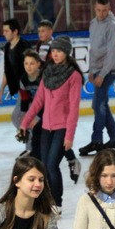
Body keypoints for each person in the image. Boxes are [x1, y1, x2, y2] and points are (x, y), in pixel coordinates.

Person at [19, 36, 82, 210]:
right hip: (46, 127)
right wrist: (25, 122)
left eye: (59, 51)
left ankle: (57, 203)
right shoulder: (47, 72)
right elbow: (38, 100)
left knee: (52, 164)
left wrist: (69, 136)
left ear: (66, 53)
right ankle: (48, 200)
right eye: (53, 51)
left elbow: (74, 109)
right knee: (45, 166)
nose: (55, 54)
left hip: (62, 127)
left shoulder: (73, 76)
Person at [79, 0, 115, 156]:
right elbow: (93, 49)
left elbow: (111, 55)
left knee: (98, 105)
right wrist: (91, 70)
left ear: (109, 8)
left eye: (105, 10)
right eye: (98, 10)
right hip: (97, 70)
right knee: (101, 105)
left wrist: (102, 75)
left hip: (108, 71)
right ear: (94, 8)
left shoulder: (113, 27)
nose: (101, 14)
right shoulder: (93, 23)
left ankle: (97, 140)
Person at [0, 18, 31, 152]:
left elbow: (32, 66)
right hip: (20, 89)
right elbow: (7, 69)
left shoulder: (24, 46)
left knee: (18, 116)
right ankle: (30, 146)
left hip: (28, 88)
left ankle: (31, 146)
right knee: (22, 117)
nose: (4, 33)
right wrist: (1, 89)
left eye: (6, 31)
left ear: (15, 31)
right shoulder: (7, 46)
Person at [15, 49, 44, 160]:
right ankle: (30, 149)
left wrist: (37, 118)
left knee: (37, 127)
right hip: (34, 105)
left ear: (38, 64)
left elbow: (47, 101)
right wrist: (24, 115)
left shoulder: (43, 78)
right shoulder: (23, 79)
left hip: (47, 108)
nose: (29, 66)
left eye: (32, 63)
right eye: (26, 63)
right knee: (20, 119)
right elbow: (24, 98)